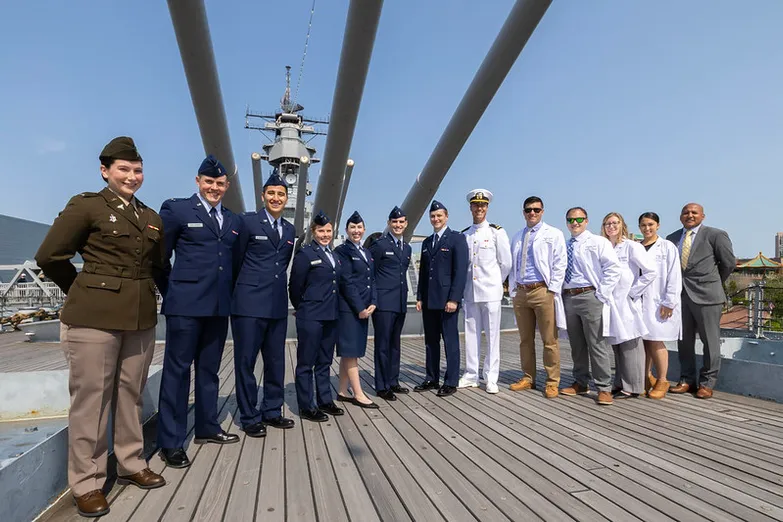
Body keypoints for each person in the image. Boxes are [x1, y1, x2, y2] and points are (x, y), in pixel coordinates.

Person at [35, 137, 166, 517]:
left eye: (137, 170)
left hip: (139, 318)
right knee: (91, 400)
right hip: (93, 319)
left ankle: (130, 462)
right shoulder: (87, 206)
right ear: (105, 171)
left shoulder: (150, 217)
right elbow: (50, 255)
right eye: (124, 169)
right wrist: (83, 289)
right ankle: (87, 482)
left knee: (131, 393)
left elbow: (157, 266)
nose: (132, 176)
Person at [157, 155, 242, 469]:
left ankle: (207, 426)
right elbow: (159, 259)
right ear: (198, 181)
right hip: (185, 306)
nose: (214, 188)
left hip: (217, 308)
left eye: (220, 183)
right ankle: (171, 441)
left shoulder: (232, 220)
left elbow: (232, 264)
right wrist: (173, 292)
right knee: (177, 373)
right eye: (209, 182)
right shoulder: (177, 210)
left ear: (227, 186)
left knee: (209, 371)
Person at [231, 173, 297, 437]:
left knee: (275, 361)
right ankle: (249, 416)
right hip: (248, 304)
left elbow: (282, 265)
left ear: (286, 198)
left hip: (277, 305)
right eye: (271, 193)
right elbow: (236, 260)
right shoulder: (247, 222)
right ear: (262, 196)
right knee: (246, 362)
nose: (276, 198)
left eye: (281, 194)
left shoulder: (290, 230)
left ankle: (272, 410)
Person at [666, 203, 735, 399]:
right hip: (681, 297)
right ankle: (686, 380)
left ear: (702, 216)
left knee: (710, 341)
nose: (690, 215)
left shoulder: (716, 235)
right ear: (680, 216)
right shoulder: (671, 238)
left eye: (694, 212)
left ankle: (707, 383)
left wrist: (712, 283)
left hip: (708, 296)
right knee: (684, 341)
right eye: (686, 212)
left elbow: (728, 263)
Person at [560, 207, 622, 405]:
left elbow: (613, 268)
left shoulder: (598, 242)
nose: (575, 223)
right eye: (571, 220)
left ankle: (603, 387)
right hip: (569, 296)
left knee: (596, 343)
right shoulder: (565, 245)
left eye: (579, 219)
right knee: (576, 344)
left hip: (589, 295)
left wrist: (600, 294)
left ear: (586, 221)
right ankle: (581, 382)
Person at [507, 196, 567, 399]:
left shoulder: (554, 234)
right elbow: (513, 265)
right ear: (523, 212)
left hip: (542, 290)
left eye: (536, 210)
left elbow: (560, 262)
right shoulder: (517, 236)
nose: (532, 213)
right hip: (521, 292)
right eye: (528, 210)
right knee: (525, 340)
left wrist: (553, 290)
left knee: (549, 340)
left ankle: (552, 381)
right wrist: (513, 290)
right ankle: (528, 377)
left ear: (542, 212)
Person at [289, 211, 345, 421]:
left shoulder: (334, 256)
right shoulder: (305, 254)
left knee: (324, 361)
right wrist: (302, 307)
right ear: (313, 232)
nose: (325, 234)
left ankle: (325, 400)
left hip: (331, 315)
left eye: (328, 231)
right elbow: (295, 286)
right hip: (311, 315)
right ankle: (306, 406)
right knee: (306, 362)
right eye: (321, 231)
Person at [459, 189, 511, 394]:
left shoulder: (496, 232)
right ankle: (471, 374)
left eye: (482, 205)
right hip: (470, 292)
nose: (479, 208)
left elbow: (506, 263)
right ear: (470, 207)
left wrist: (496, 282)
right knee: (471, 335)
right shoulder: (465, 235)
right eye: (475, 205)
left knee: (492, 336)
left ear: (487, 207)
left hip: (491, 292)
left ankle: (491, 377)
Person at [414, 201, 469, 397]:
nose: (436, 219)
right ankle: (431, 377)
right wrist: (420, 296)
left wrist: (454, 299)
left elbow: (460, 271)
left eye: (439, 216)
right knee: (431, 341)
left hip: (447, 301)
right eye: (433, 216)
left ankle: (451, 381)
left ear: (446, 217)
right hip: (429, 299)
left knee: (450, 341)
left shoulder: (456, 239)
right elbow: (423, 273)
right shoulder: (427, 242)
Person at [601, 212, 656, 398]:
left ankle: (634, 386)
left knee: (630, 344)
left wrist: (633, 292)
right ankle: (620, 382)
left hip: (627, 302)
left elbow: (650, 271)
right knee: (617, 344)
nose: (611, 226)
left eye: (615, 223)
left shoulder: (632, 246)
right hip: (610, 302)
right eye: (608, 223)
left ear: (622, 225)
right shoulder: (604, 247)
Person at [334, 211, 379, 409]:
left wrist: (373, 301)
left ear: (364, 229)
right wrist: (360, 307)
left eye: (359, 227)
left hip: (364, 309)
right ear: (346, 230)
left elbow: (371, 279)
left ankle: (342, 391)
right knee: (351, 351)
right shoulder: (342, 251)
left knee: (350, 351)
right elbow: (346, 281)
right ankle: (359, 394)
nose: (356, 231)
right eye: (352, 227)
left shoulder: (366, 252)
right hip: (349, 310)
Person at [369, 206, 412, 401]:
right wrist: (373, 299)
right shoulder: (379, 245)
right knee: (383, 345)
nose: (398, 225)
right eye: (395, 222)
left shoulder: (407, 248)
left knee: (395, 344)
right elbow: (371, 274)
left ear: (406, 224)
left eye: (401, 222)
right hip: (384, 303)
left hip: (400, 302)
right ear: (389, 223)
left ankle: (393, 381)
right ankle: (381, 385)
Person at [638, 212, 682, 399]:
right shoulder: (637, 247)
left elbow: (674, 275)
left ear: (658, 225)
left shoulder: (667, 247)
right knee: (643, 341)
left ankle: (663, 380)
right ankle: (646, 377)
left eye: (650, 224)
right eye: (643, 225)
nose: (647, 228)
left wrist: (669, 301)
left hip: (659, 301)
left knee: (656, 340)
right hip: (639, 302)